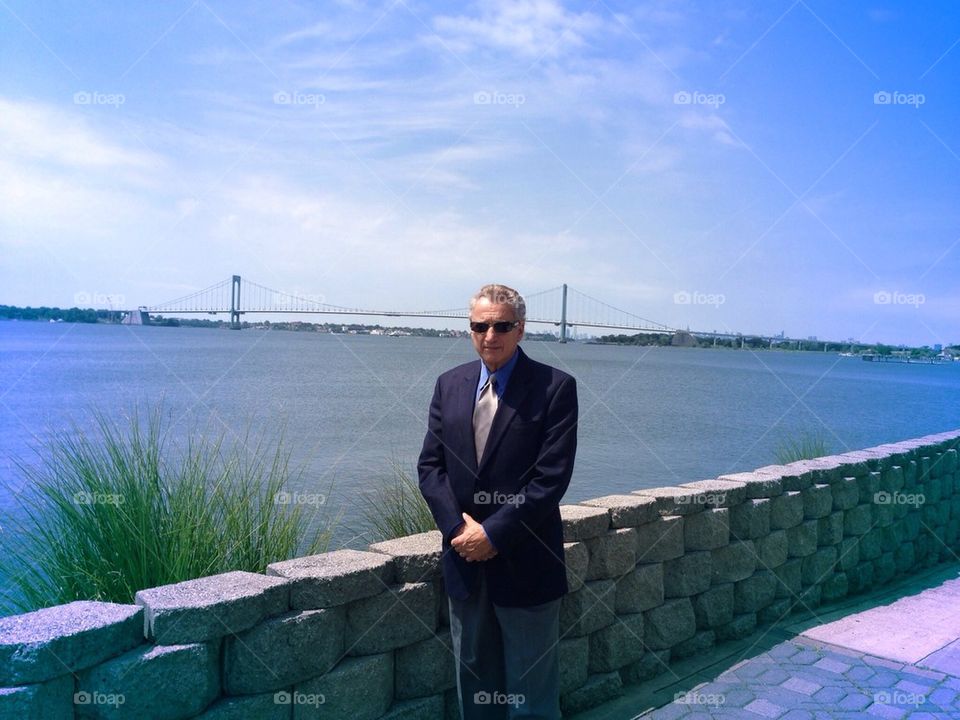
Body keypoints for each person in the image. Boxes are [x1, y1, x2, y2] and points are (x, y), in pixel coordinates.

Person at [418, 283, 579, 720]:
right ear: (470, 329)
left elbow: (551, 479)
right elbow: (431, 469)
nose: (490, 335)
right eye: (480, 325)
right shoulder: (448, 385)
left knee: (532, 694)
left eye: (502, 325)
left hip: (526, 563)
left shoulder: (555, 388)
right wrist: (458, 532)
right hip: (464, 564)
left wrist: (494, 533)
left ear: (520, 329)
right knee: (475, 686)